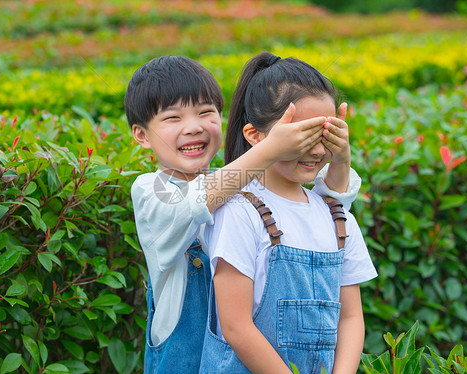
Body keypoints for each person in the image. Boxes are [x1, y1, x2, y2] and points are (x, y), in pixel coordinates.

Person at [125, 55, 362, 373]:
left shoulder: (240, 189)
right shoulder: (152, 190)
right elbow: (197, 202)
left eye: (206, 113)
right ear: (141, 135)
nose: (194, 127)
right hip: (183, 362)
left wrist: (339, 155)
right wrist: (272, 148)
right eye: (173, 118)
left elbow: (326, 206)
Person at [200, 52, 377, 374]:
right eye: (302, 135)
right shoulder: (240, 211)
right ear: (256, 136)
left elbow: (351, 317)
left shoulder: (339, 218)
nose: (318, 149)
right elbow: (236, 326)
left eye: (326, 134)